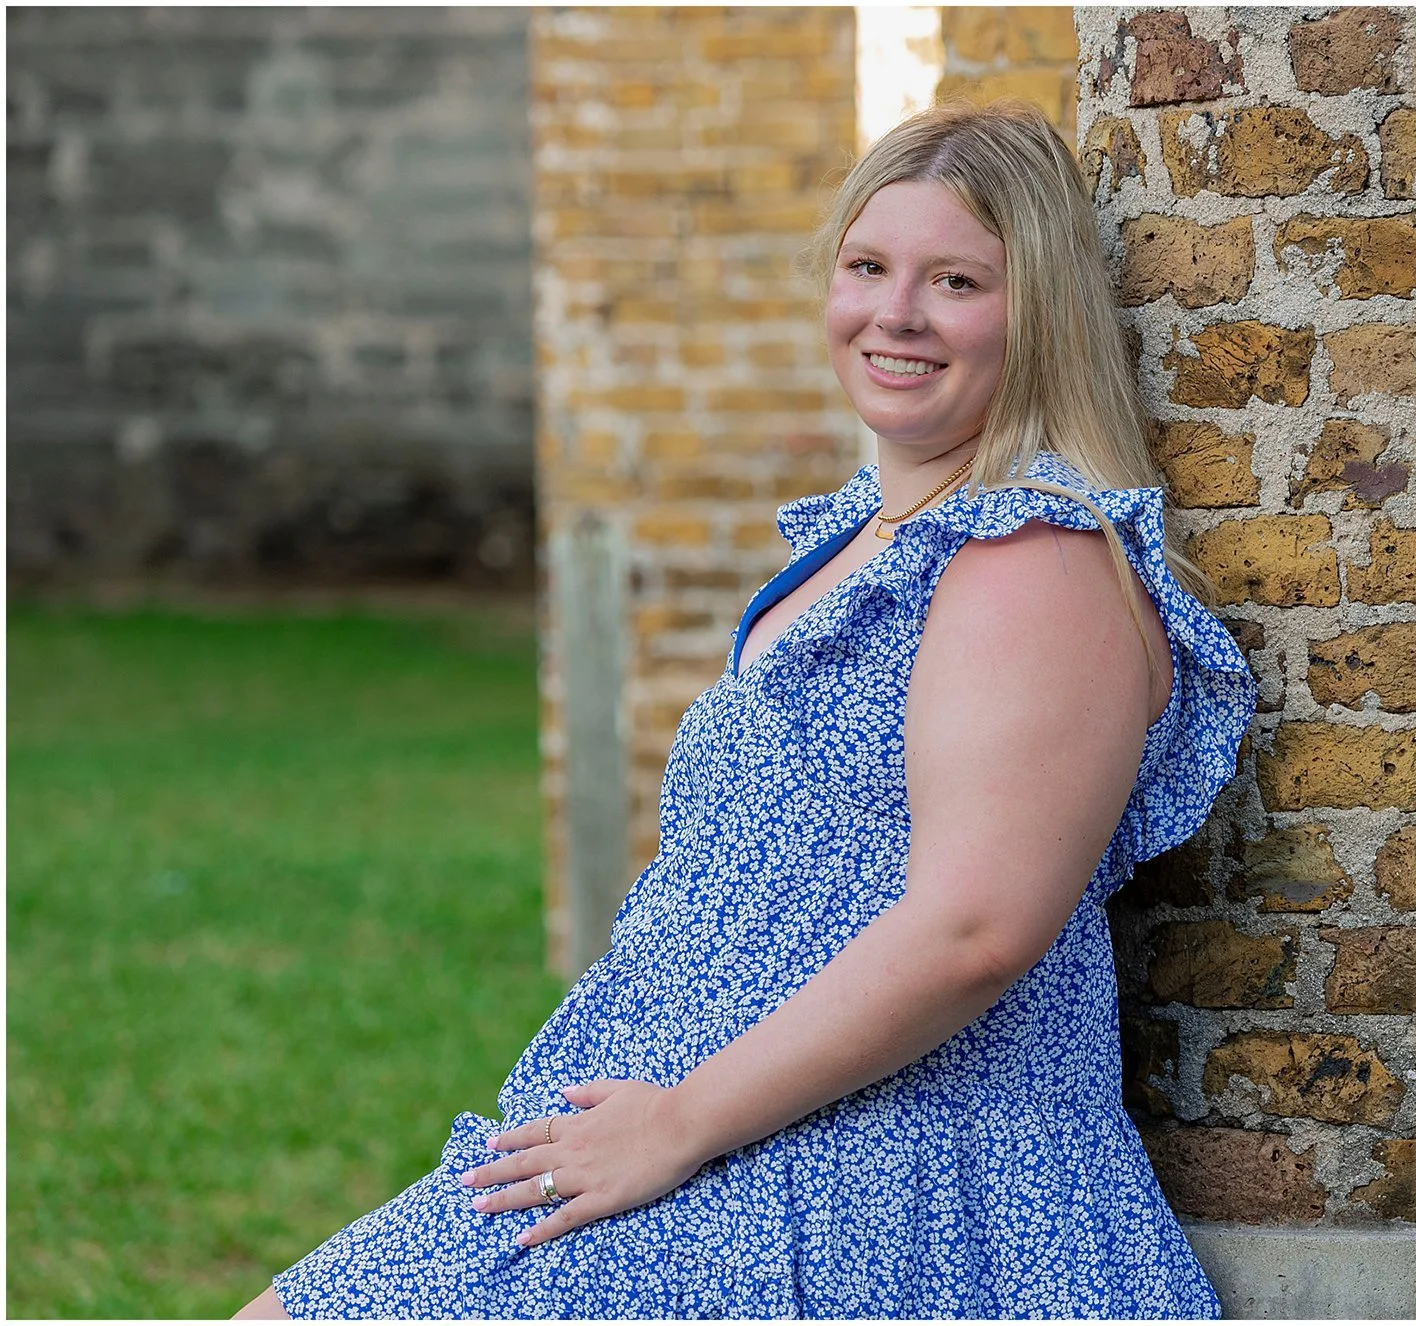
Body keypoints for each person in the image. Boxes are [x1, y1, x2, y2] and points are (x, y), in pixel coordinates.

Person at [236, 99, 1256, 1320]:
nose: (896, 314)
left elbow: (977, 929)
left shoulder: (1029, 559)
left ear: (1039, 311)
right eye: (868, 266)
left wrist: (678, 1124)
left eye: (957, 282)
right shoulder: (863, 541)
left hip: (884, 1177)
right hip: (714, 1143)